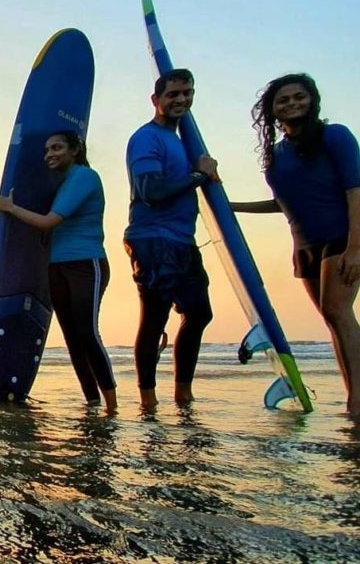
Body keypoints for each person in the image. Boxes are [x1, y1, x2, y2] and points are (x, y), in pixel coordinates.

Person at [231, 73, 360, 416]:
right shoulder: (277, 155)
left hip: (341, 239)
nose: (292, 103)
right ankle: (353, 395)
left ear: (312, 99)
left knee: (338, 312)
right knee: (332, 320)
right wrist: (229, 207)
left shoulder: (336, 136)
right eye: (283, 100)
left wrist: (355, 248)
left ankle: (357, 401)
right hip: (304, 247)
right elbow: (285, 203)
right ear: (273, 110)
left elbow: (355, 191)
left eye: (298, 96)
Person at [0, 132, 117, 412]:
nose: (49, 153)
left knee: (87, 333)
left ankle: (112, 406)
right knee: (72, 338)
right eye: (47, 149)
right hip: (57, 266)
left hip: (87, 264)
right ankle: (93, 402)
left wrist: (11, 208)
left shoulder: (85, 177)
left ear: (75, 150)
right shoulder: (62, 185)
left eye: (57, 148)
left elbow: (49, 222)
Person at [124, 69, 219, 409]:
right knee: (155, 316)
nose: (181, 99)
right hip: (152, 239)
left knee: (199, 313)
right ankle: (148, 398)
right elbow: (150, 190)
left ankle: (182, 392)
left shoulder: (179, 141)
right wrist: (198, 174)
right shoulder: (146, 138)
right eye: (173, 94)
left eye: (187, 93)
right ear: (156, 100)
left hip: (182, 240)